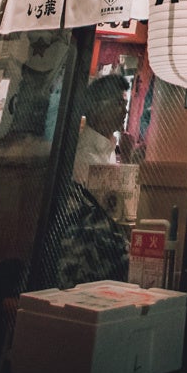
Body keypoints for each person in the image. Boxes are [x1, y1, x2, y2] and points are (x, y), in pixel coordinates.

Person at [41, 73, 132, 289]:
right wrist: (128, 160)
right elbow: (118, 212)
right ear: (96, 107)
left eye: (125, 104)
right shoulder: (84, 155)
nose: (125, 111)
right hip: (84, 261)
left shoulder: (107, 150)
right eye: (119, 103)